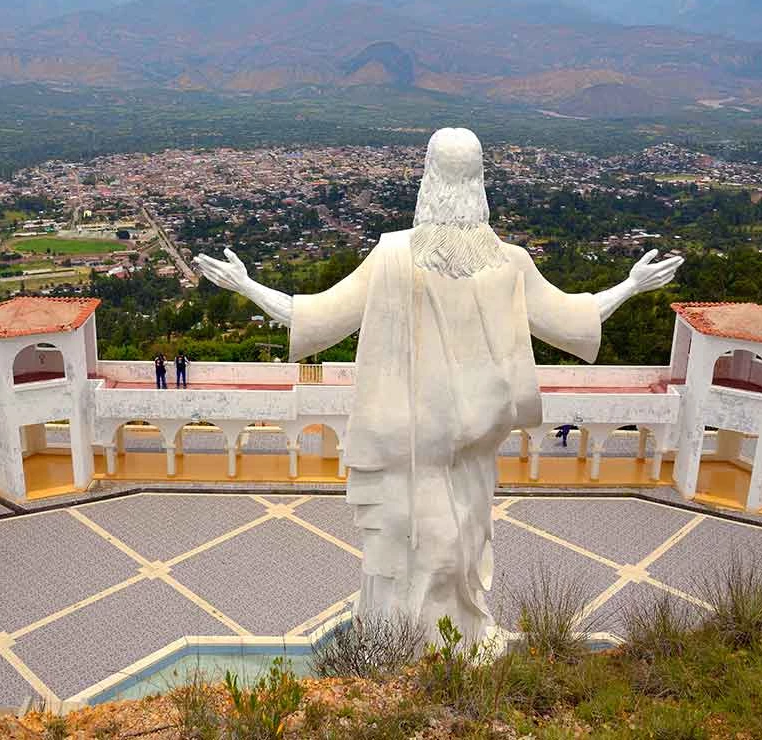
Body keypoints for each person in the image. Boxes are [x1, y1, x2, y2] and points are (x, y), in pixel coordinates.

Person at [195, 127, 682, 645]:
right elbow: (573, 316)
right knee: (438, 552)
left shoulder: (410, 256)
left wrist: (247, 286)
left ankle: (431, 643)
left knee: (446, 554)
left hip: (444, 450)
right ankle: (408, 644)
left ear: (428, 180)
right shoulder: (486, 260)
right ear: (479, 183)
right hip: (425, 450)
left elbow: (311, 313)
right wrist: (628, 286)